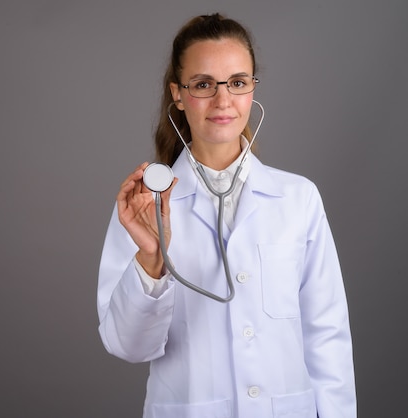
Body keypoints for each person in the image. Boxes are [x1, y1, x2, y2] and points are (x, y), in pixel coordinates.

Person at [97, 13, 356, 418]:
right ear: (178, 95)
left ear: (253, 88)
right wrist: (151, 259)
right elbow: (127, 346)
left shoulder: (298, 198)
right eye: (203, 84)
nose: (223, 101)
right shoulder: (144, 206)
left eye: (237, 82)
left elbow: (327, 336)